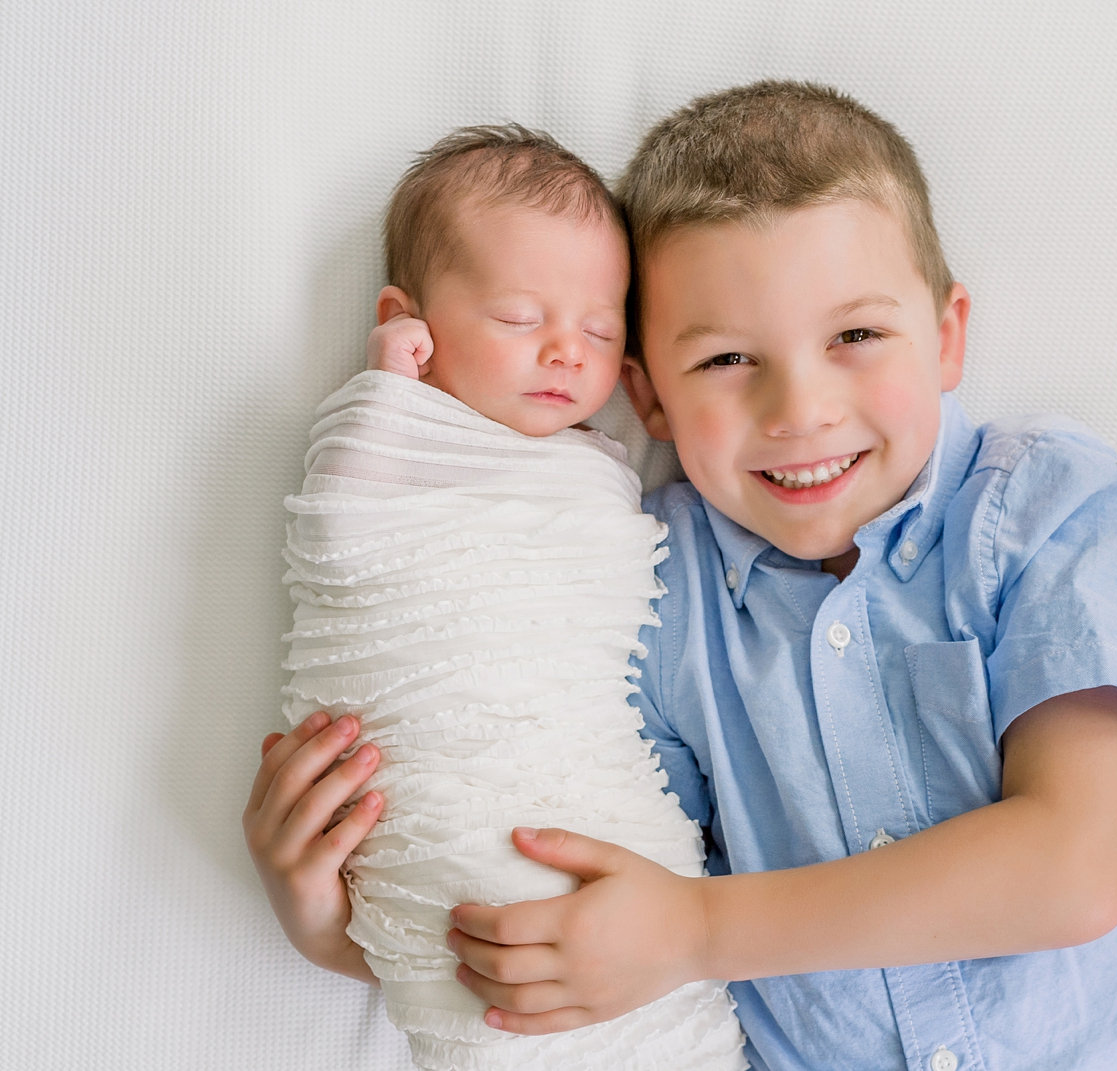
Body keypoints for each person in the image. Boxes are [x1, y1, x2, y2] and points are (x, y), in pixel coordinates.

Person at [434, 83, 1117, 1070]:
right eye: (724, 359)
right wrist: (330, 914)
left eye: (854, 337)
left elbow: (1069, 871)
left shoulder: (1049, 511)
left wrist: (695, 930)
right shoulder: (653, 588)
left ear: (948, 335)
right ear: (649, 397)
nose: (800, 408)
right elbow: (587, 908)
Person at [244, 125, 745, 1071]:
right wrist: (385, 395)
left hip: (596, 808)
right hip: (435, 803)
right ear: (412, 323)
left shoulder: (601, 475)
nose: (567, 352)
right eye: (521, 319)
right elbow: (342, 547)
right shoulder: (385, 442)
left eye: (601, 331)